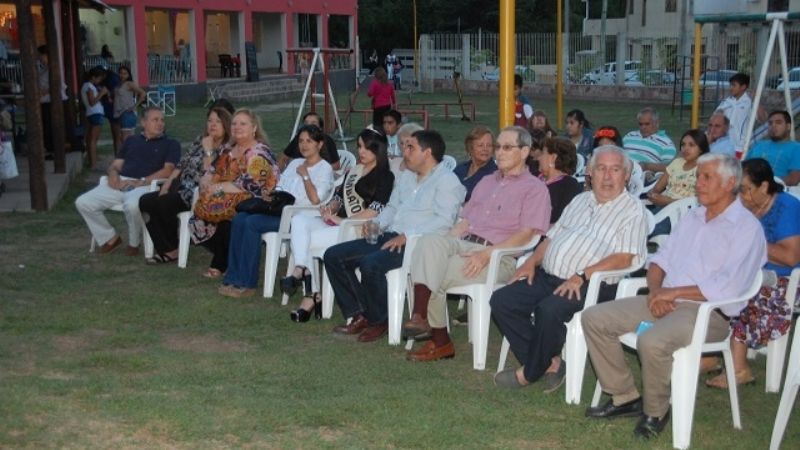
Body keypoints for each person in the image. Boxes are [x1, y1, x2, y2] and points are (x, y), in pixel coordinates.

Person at [582, 154, 766, 440]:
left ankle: (656, 411)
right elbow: (660, 261)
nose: (699, 184)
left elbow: (727, 286)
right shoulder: (694, 216)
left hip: (708, 312)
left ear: (731, 183)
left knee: (652, 341)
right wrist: (656, 292)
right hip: (665, 299)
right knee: (594, 317)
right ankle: (625, 396)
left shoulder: (746, 228)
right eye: (699, 177)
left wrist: (674, 292)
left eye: (707, 178)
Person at [491, 146, 648, 393]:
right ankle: (551, 363)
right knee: (503, 300)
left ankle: (529, 372)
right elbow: (551, 238)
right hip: (548, 275)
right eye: (601, 169)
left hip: (593, 284)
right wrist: (531, 263)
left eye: (615, 170)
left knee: (549, 310)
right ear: (589, 173)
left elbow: (625, 257)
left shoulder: (632, 210)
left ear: (626, 176)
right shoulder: (580, 200)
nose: (607, 176)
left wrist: (583, 275)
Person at [403, 126, 551, 361]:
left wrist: (488, 254)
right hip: (465, 244)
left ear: (524, 152)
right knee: (429, 244)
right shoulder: (486, 182)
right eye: (497, 147)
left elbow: (527, 234)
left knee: (433, 274)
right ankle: (420, 316)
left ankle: (439, 341)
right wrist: (446, 243)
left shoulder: (535, 189)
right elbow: (464, 222)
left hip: (499, 256)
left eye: (506, 148)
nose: (498, 153)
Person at [324, 130, 465, 342]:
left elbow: (444, 221)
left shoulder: (447, 181)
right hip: (390, 235)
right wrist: (377, 223)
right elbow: (391, 207)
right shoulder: (407, 177)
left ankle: (380, 321)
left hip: (418, 244)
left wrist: (407, 236)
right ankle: (359, 314)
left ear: (427, 153)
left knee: (371, 264)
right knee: (334, 256)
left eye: (410, 148)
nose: (404, 152)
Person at [705, 158, 800, 389]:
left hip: (785, 281)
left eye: (745, 190)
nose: (741, 196)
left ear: (764, 187)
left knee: (741, 297)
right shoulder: (742, 208)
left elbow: (791, 257)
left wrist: (750, 244)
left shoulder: (787, 207)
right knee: (706, 285)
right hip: (750, 272)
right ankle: (709, 355)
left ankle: (740, 369)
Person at [282, 128, 395, 321]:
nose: (361, 151)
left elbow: (375, 209)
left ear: (379, 149)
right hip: (337, 225)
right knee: (299, 221)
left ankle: (310, 295)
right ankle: (301, 269)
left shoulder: (385, 176)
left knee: (305, 242)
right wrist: (330, 208)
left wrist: (342, 221)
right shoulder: (354, 171)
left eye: (367, 147)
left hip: (358, 229)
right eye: (359, 146)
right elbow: (339, 198)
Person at [220, 124, 334, 298]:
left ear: (319, 145)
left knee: (252, 223)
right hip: (279, 210)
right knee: (240, 218)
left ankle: (247, 283)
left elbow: (316, 200)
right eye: (301, 141)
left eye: (309, 141)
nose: (304, 145)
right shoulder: (295, 162)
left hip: (299, 218)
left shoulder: (324, 168)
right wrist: (270, 193)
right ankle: (233, 277)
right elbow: (281, 186)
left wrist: (305, 175)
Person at [75, 107, 181, 256]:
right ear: (143, 123)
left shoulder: (171, 144)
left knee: (132, 205)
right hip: (122, 182)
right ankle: (110, 237)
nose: (160, 124)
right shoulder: (131, 140)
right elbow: (116, 164)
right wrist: (113, 175)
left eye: (162, 120)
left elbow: (168, 170)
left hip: (147, 184)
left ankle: (134, 243)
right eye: (155, 120)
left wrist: (142, 181)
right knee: (83, 202)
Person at [190, 109, 279, 279]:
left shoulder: (259, 152)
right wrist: (207, 182)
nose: (237, 127)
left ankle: (221, 262)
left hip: (255, 201)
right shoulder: (228, 151)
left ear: (254, 128)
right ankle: (226, 258)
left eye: (243, 123)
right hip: (227, 199)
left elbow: (252, 184)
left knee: (228, 221)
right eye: (234, 123)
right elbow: (211, 172)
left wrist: (218, 188)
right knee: (199, 217)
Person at [138, 107, 232, 264]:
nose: (212, 125)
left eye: (218, 121)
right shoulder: (200, 140)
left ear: (226, 125)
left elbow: (211, 176)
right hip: (180, 187)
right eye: (210, 121)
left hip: (197, 194)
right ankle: (168, 248)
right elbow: (182, 163)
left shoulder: (228, 149)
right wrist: (167, 185)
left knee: (163, 204)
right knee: (145, 201)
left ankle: (173, 247)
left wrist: (208, 151)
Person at [646, 129, 709, 208]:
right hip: (662, 207)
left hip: (685, 212)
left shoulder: (705, 169)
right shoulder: (676, 163)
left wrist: (668, 201)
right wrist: (652, 195)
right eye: (683, 145)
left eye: (691, 145)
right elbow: (656, 189)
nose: (686, 148)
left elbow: (700, 202)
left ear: (701, 149)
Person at [745, 110, 800, 186]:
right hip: (747, 186)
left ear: (788, 126)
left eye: (778, 122)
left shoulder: (796, 148)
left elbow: (793, 179)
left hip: (773, 190)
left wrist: (768, 185)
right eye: (770, 123)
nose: (773, 126)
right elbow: (743, 167)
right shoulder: (759, 144)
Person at [537, 137, 582, 224]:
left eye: (543, 153)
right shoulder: (534, 178)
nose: (539, 158)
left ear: (553, 158)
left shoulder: (569, 186)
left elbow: (560, 221)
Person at [623, 107, 676, 172]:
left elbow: (669, 168)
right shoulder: (630, 135)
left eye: (647, 124)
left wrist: (647, 166)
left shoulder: (667, 143)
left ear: (657, 123)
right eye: (640, 124)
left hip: (643, 175)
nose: (643, 127)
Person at [453, 125, 497, 202]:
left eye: (489, 145)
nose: (485, 149)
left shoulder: (494, 174)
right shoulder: (460, 168)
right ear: (470, 148)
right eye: (480, 145)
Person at [80, 66, 109, 169]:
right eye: (99, 78)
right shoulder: (89, 86)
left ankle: (92, 160)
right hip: (95, 113)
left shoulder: (88, 86)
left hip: (93, 113)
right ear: (93, 77)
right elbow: (92, 102)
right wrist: (102, 93)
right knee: (93, 139)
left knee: (91, 138)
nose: (100, 81)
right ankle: (93, 163)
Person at [716, 72, 752, 152]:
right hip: (724, 145)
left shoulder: (749, 103)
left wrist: (756, 99)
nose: (731, 88)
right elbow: (715, 118)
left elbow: (763, 118)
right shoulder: (726, 102)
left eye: (734, 85)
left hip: (740, 146)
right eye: (730, 85)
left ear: (743, 87)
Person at [112, 65, 146, 150]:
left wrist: (134, 106)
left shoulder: (129, 84)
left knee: (125, 139)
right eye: (120, 73)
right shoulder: (119, 84)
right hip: (120, 113)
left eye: (125, 73)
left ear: (128, 75)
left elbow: (143, 93)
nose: (122, 75)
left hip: (127, 113)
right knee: (124, 139)